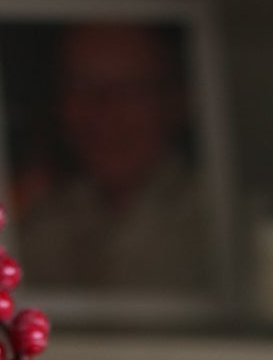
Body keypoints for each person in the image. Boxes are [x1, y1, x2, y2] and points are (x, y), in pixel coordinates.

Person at [14, 20, 211, 295]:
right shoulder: (32, 217)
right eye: (82, 86)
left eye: (131, 88)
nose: (105, 109)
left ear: (177, 101)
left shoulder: (218, 217)